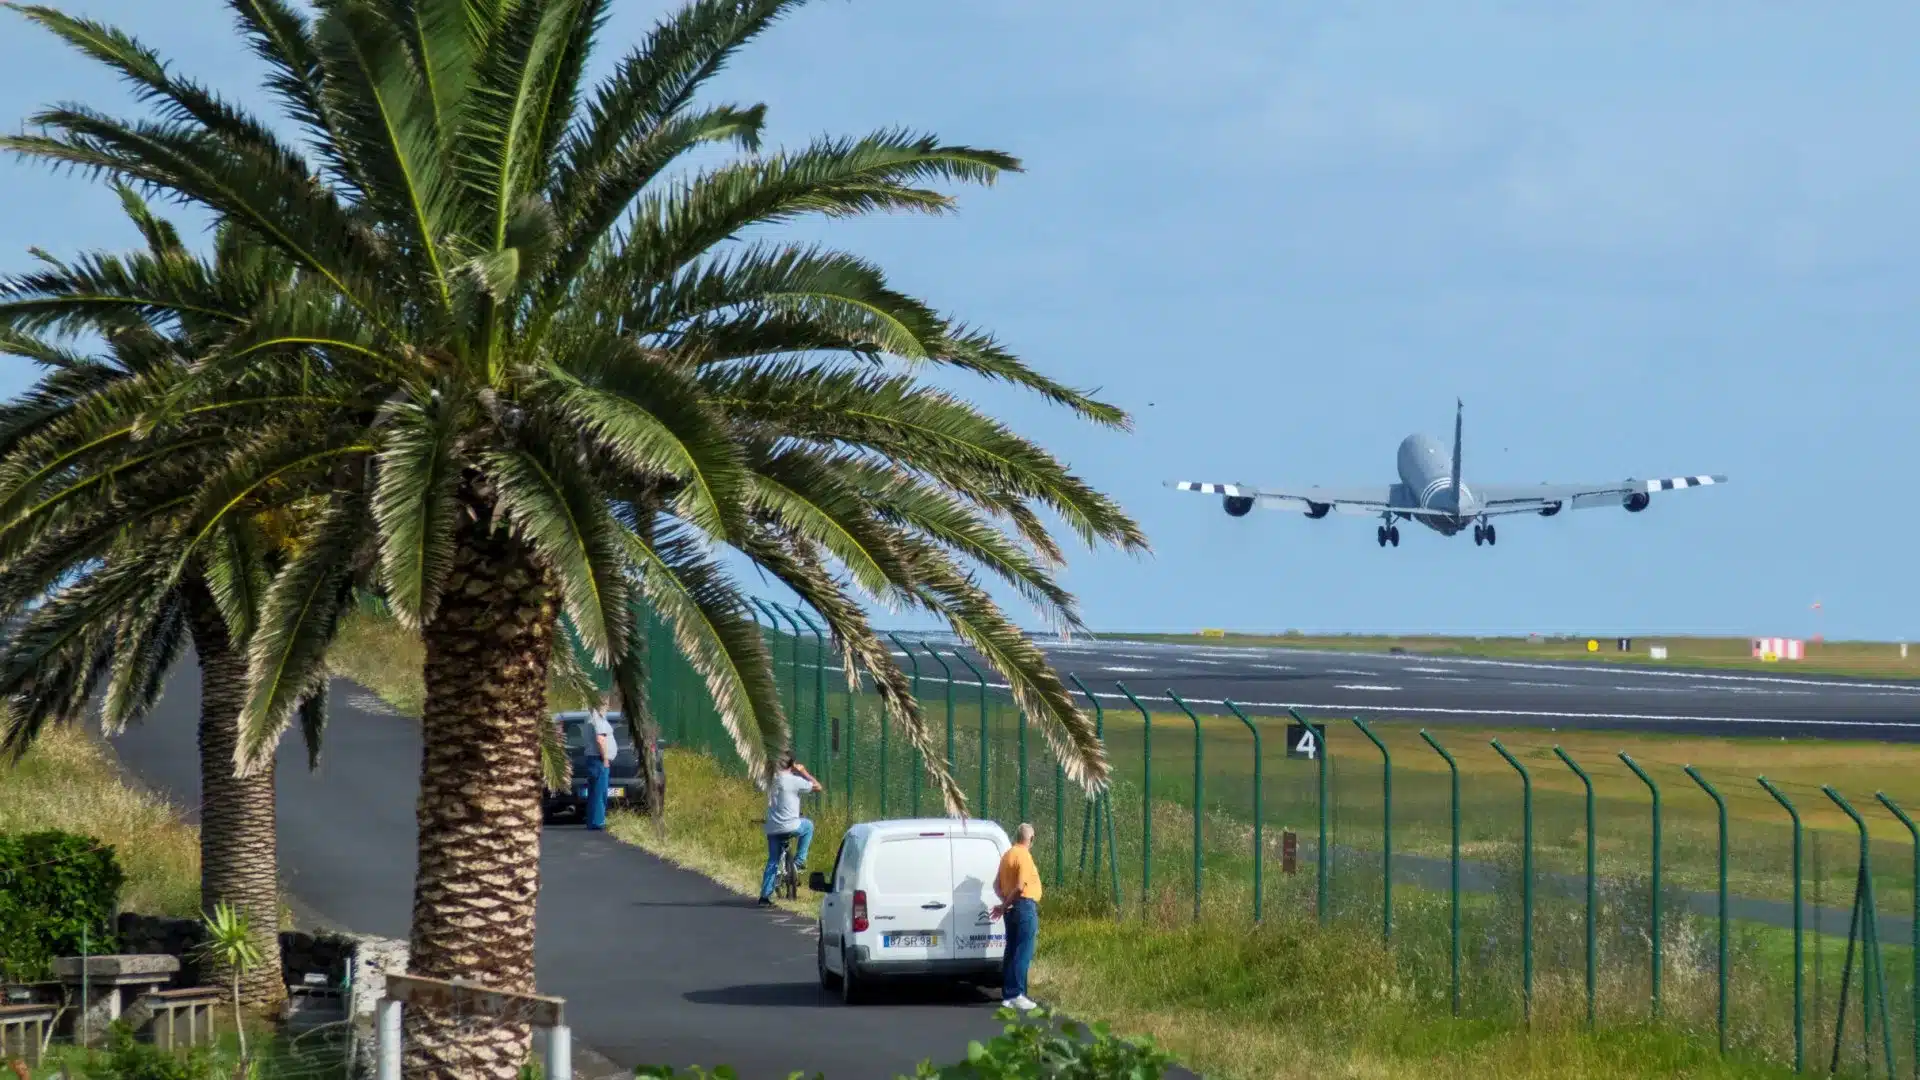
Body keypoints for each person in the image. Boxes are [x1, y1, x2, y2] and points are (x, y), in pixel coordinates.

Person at [991, 822, 1042, 1010]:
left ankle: (1008, 994)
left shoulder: (1007, 855)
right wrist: (1006, 904)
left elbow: (996, 884)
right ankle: (1017, 993)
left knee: (1011, 950)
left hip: (1012, 907)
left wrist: (1005, 902)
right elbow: (1021, 887)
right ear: (1031, 838)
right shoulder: (1024, 856)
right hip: (1024, 906)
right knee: (1023, 950)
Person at [758, 752, 821, 906]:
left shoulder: (770, 781)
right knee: (808, 826)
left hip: (772, 827)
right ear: (792, 765)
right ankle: (799, 862)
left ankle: (764, 897)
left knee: (773, 860)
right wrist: (803, 771)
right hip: (791, 825)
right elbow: (818, 787)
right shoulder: (794, 780)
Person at [583, 703, 616, 831]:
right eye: (605, 703)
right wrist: (606, 758)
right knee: (599, 792)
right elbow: (600, 740)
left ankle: (592, 821)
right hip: (599, 760)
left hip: (593, 759)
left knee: (594, 792)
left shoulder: (589, 717)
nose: (607, 706)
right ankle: (598, 822)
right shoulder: (598, 719)